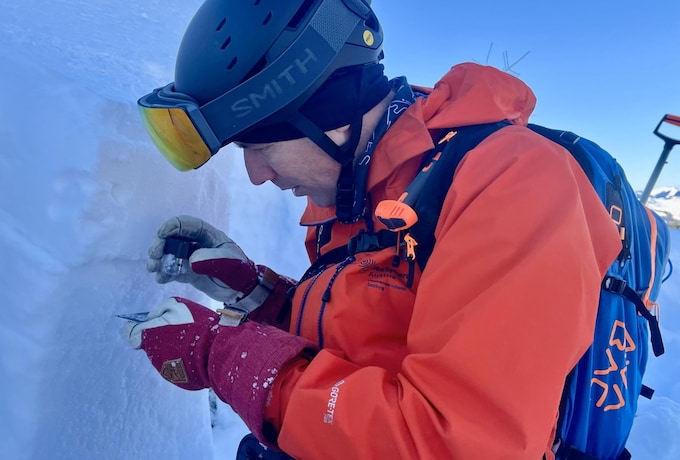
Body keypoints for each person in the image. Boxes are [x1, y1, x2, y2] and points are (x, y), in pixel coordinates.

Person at [123, 0, 623, 458]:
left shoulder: (514, 183)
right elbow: (371, 344)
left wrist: (225, 355)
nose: (257, 174)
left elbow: (458, 442)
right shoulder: (365, 190)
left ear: (325, 117)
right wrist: (261, 296)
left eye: (261, 146)